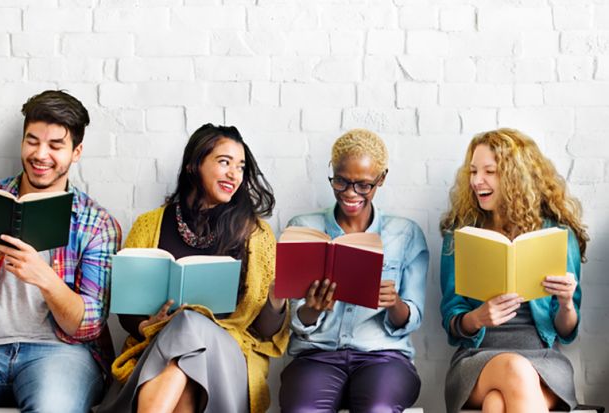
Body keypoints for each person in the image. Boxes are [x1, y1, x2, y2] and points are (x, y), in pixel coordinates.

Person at [100, 124, 289, 413]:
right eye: (224, 162)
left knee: (189, 322)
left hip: (227, 360)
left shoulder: (256, 235)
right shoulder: (150, 224)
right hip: (160, 354)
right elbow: (128, 308)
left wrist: (277, 297)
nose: (233, 174)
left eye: (240, 167)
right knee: (185, 365)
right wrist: (144, 325)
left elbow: (264, 331)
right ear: (193, 165)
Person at [0, 90, 122, 412]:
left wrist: (46, 279)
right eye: (32, 141)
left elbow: (88, 325)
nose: (40, 154)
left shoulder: (97, 223)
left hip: (60, 353)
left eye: (55, 145)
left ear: (76, 152)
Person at [439, 128, 589, 412]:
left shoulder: (558, 236)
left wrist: (567, 303)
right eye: (472, 171)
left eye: (489, 171)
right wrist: (478, 317)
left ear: (515, 176)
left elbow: (566, 332)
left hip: (543, 360)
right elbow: (451, 321)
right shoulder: (460, 237)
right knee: (514, 369)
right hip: (477, 359)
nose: (476, 181)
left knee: (496, 403)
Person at [278, 128, 427, 412]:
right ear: (332, 173)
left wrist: (394, 304)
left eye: (363, 185)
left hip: (384, 357)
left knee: (378, 409)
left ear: (381, 178)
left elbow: (413, 317)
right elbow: (296, 317)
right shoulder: (304, 228)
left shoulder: (405, 234)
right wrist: (314, 308)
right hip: (317, 357)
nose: (350, 193)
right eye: (341, 181)